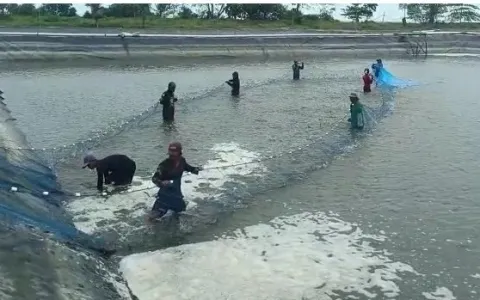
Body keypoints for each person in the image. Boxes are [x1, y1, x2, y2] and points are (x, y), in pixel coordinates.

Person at [148, 142, 202, 220]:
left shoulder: (182, 161)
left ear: (180, 152)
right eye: (171, 152)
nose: (172, 154)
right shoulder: (164, 164)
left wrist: (196, 169)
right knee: (152, 218)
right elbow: (154, 178)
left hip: (177, 195)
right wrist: (161, 183)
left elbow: (188, 168)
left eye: (174, 152)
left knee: (181, 214)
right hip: (164, 196)